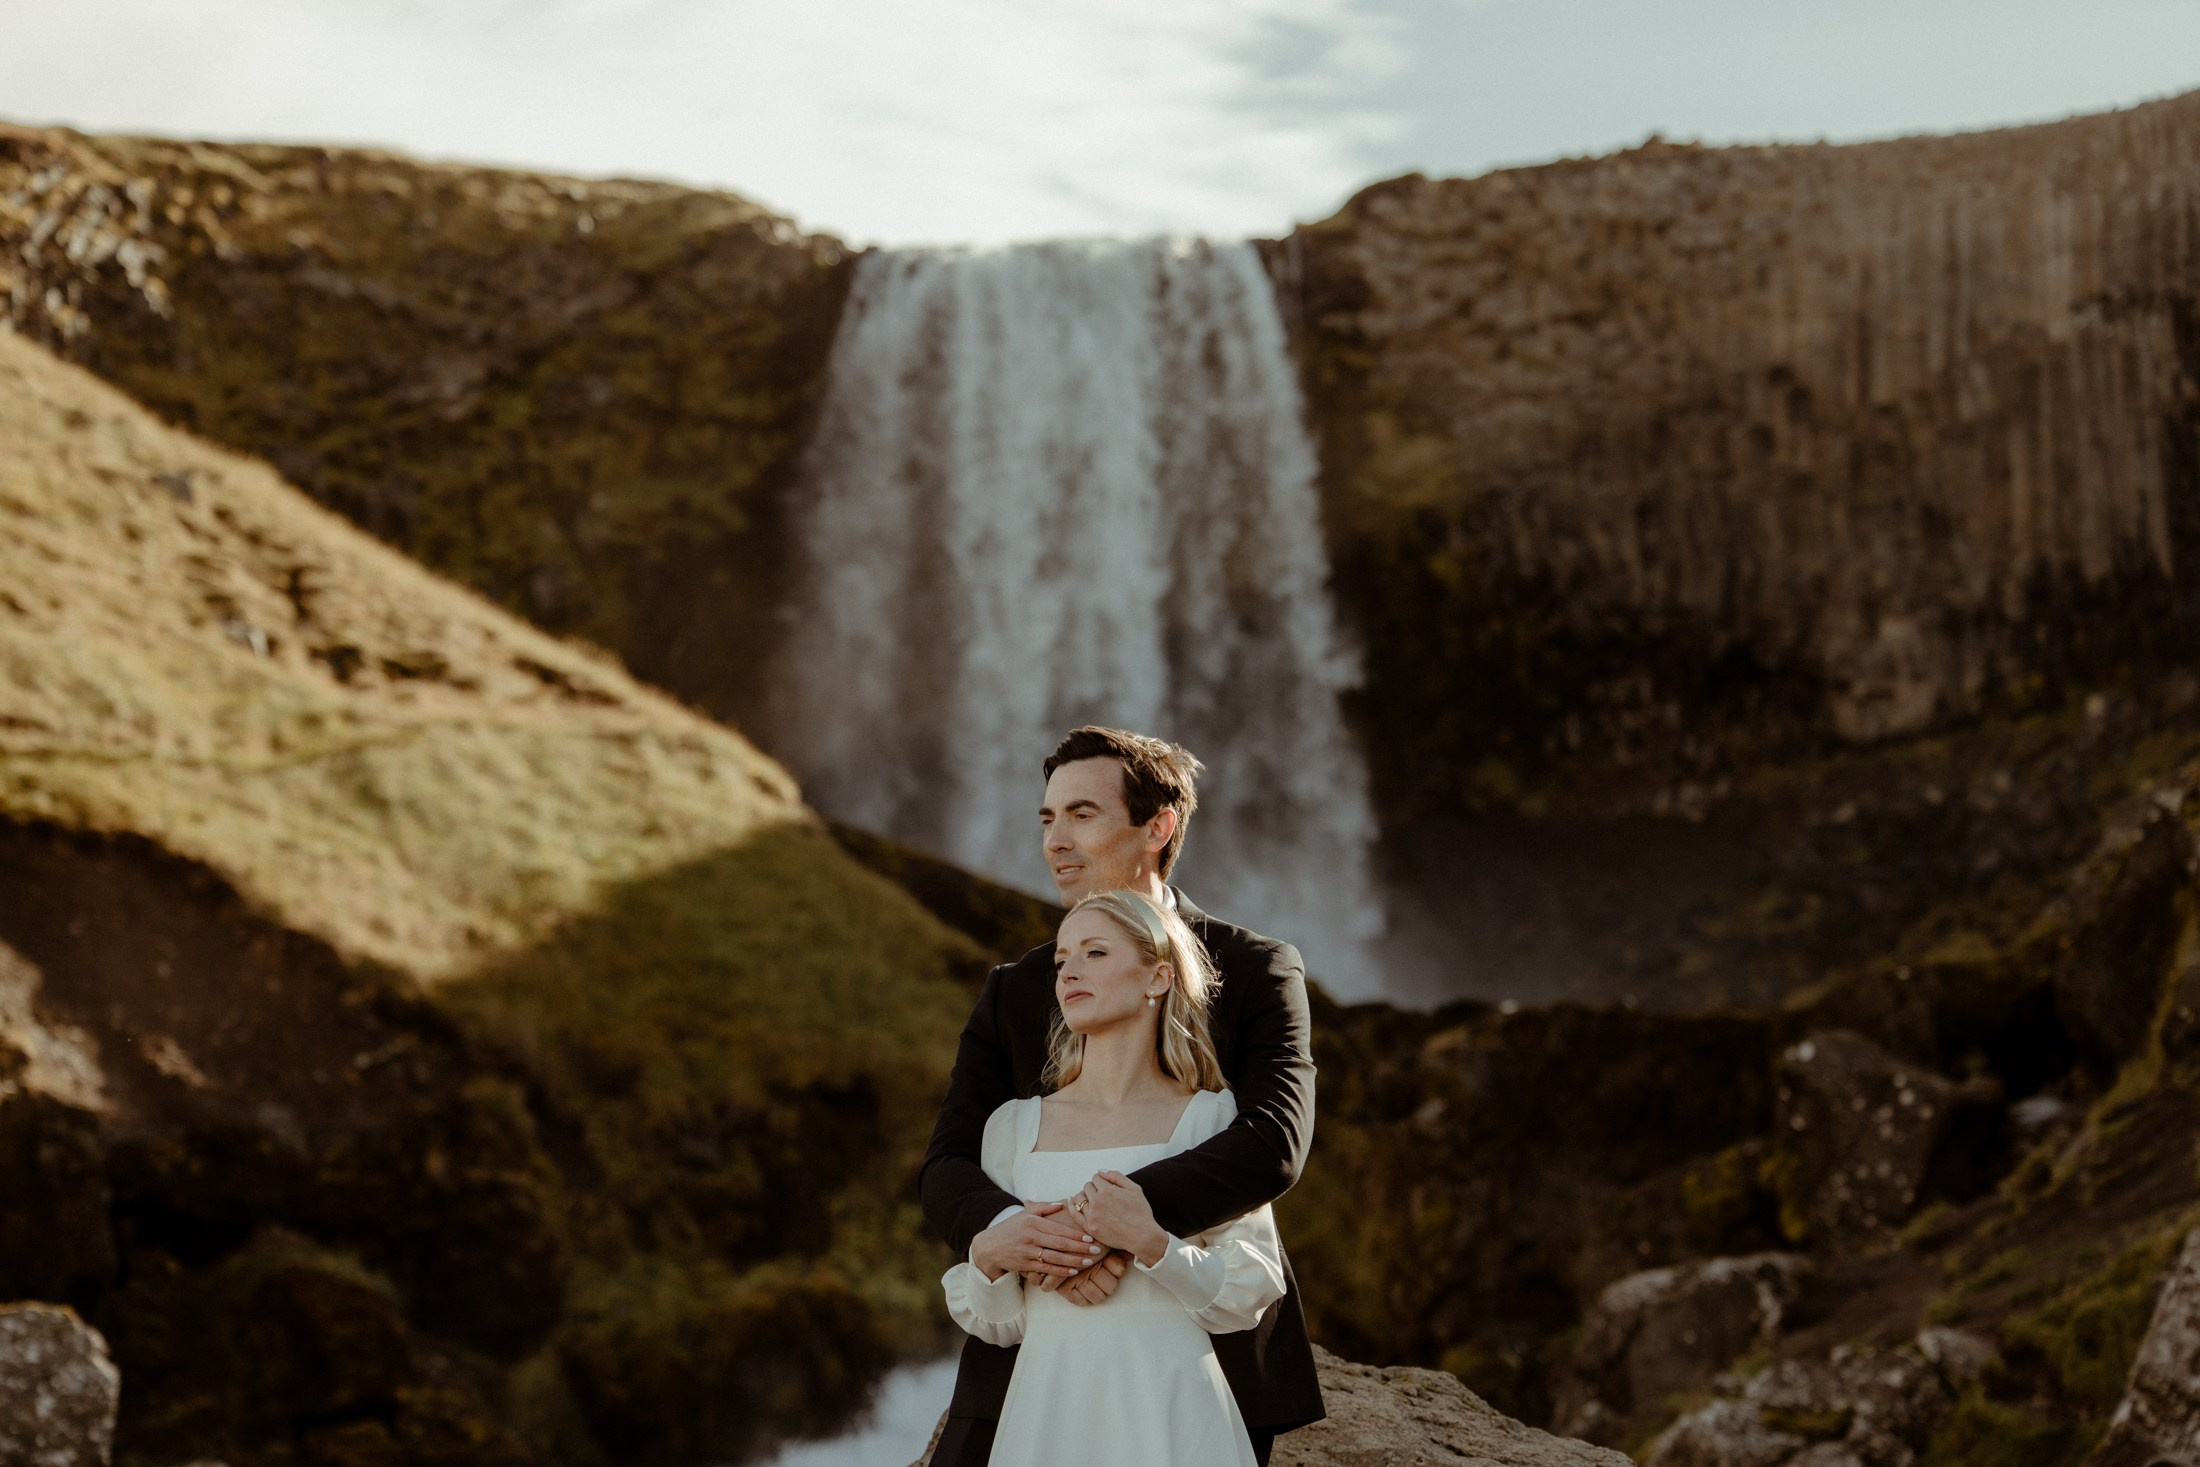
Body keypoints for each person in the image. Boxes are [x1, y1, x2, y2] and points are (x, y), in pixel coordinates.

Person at [919, 726, 1324, 1466]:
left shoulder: (1259, 966)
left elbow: (1274, 1140)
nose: (1055, 841)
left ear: (1158, 827)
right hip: (1029, 1345)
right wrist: (1032, 1233)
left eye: (1082, 814)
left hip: (1207, 1364)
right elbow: (946, 1162)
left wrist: (1104, 1222)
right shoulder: (1016, 987)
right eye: (1047, 818)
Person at [941, 889, 1285, 1465]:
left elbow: (1248, 1288)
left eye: (1095, 953)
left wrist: (1150, 1244)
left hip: (1173, 1410)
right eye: (1061, 959)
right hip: (1047, 1409)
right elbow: (1001, 1324)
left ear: (1158, 977)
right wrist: (994, 1253)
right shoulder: (1012, 1127)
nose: (1068, 971)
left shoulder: (1212, 1118)